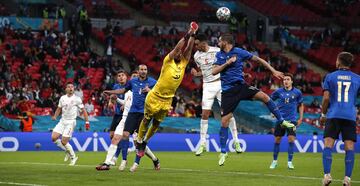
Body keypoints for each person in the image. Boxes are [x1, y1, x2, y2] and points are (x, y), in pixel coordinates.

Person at [212, 33, 295, 166]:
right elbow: (214, 71)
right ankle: (223, 151)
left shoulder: (239, 52)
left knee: (265, 97)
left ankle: (281, 121)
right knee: (224, 122)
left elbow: (258, 60)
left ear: (226, 42)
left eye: (220, 40)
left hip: (241, 86)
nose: (218, 42)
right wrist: (227, 63)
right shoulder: (219, 55)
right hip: (228, 92)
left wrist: (272, 70)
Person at [135, 22, 198, 158]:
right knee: (146, 120)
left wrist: (194, 35)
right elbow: (177, 48)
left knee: (156, 124)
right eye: (177, 52)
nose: (179, 52)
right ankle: (139, 141)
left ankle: (145, 142)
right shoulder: (167, 61)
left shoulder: (183, 62)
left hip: (167, 99)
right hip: (155, 96)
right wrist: (188, 34)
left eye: (180, 52)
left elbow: (189, 49)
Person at [96, 65, 158, 171]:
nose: (142, 72)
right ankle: (109, 163)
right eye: (140, 71)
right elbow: (123, 97)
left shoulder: (151, 83)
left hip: (142, 115)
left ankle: (154, 159)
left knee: (138, 143)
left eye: (145, 70)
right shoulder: (130, 86)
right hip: (127, 116)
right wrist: (112, 94)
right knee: (118, 137)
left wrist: (150, 91)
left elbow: (159, 92)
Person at [192, 33, 242, 156]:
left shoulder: (217, 51)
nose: (195, 46)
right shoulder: (196, 56)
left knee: (227, 113)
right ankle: (202, 143)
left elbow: (226, 64)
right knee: (204, 114)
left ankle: (236, 141)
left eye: (197, 44)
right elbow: (204, 72)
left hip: (220, 84)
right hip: (208, 86)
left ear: (204, 43)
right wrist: (196, 74)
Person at [320, 52, 360, 186]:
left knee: (328, 145)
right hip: (350, 116)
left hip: (333, 115)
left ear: (338, 61)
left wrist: (323, 114)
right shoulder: (357, 78)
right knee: (349, 147)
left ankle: (327, 176)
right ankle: (347, 179)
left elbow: (326, 98)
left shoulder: (330, 77)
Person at [268, 73, 304, 170]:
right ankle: (274, 161)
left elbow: (301, 105)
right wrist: (273, 111)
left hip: (292, 120)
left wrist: (300, 118)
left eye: (288, 79)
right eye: (284, 80)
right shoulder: (278, 91)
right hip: (280, 119)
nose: (286, 81)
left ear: (292, 81)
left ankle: (289, 162)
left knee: (291, 139)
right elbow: (269, 101)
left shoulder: (297, 92)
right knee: (277, 140)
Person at [51, 82, 89, 166]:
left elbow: (84, 111)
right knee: (54, 137)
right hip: (62, 121)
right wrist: (55, 116)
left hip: (71, 122)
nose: (71, 88)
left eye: (72, 87)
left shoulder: (77, 99)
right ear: (66, 89)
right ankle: (67, 151)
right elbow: (59, 108)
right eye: (69, 87)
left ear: (73, 89)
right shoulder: (62, 98)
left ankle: (73, 157)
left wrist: (87, 122)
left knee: (64, 141)